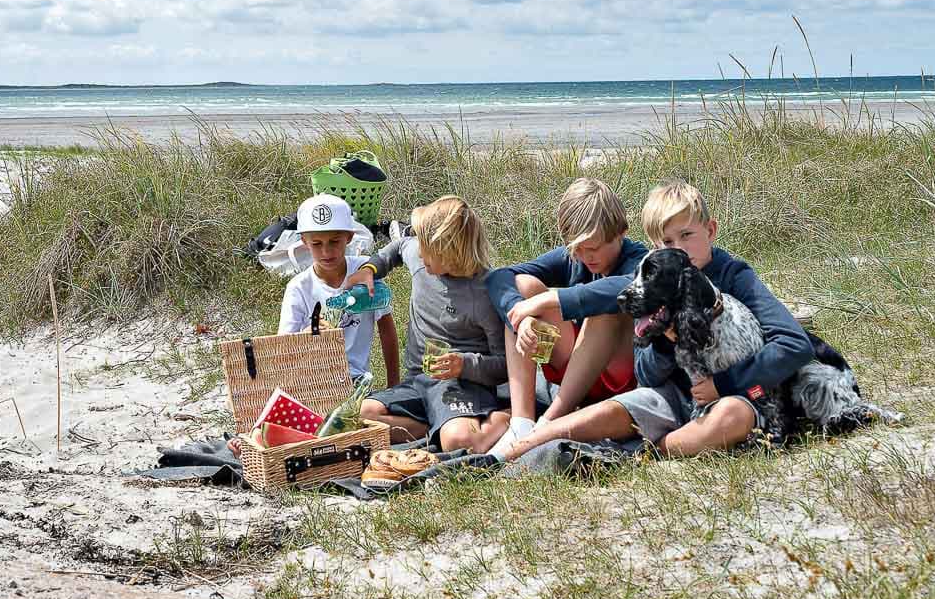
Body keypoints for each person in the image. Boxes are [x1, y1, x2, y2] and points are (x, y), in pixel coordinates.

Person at [504, 180, 813, 461]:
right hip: (671, 396)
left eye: (687, 235)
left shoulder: (735, 275)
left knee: (731, 416)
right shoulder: (653, 288)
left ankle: (650, 450)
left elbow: (795, 344)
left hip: (731, 396)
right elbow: (646, 373)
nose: (678, 248)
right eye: (666, 242)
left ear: (711, 231)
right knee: (612, 411)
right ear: (655, 248)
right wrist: (665, 341)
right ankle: (518, 449)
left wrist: (723, 384)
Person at [485, 178, 644, 458]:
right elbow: (500, 277)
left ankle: (550, 420)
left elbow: (630, 286)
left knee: (603, 308)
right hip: (577, 368)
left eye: (593, 248)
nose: (585, 257)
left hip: (621, 375)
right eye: (577, 249)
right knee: (524, 287)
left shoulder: (640, 259)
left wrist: (551, 298)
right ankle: (522, 422)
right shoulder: (577, 255)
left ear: (621, 233)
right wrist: (522, 319)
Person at [344, 195, 509, 452]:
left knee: (459, 442)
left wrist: (464, 365)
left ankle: (503, 417)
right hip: (419, 381)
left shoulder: (487, 292)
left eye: (426, 248)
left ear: (449, 252)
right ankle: (434, 428)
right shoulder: (421, 259)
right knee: (363, 413)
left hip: (463, 386)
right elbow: (398, 247)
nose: (419, 251)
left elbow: (505, 365)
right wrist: (371, 268)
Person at [278, 193, 399, 385]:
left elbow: (386, 328)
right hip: (310, 382)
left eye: (334, 241)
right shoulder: (298, 288)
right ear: (304, 241)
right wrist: (305, 336)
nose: (326, 252)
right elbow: (281, 350)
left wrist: (394, 384)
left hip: (355, 379)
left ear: (349, 237)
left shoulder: (365, 272)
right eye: (317, 244)